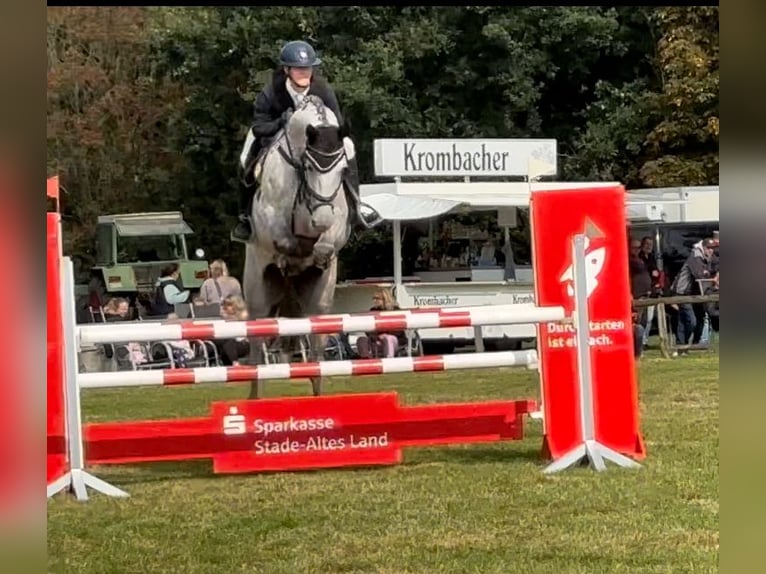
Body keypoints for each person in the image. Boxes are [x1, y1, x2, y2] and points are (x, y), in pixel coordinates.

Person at [232, 40, 383, 242]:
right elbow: (259, 127)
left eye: (307, 68)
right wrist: (280, 122)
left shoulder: (322, 89)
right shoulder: (271, 92)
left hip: (317, 139)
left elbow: (336, 123)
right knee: (244, 157)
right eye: (298, 69)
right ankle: (245, 218)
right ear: (286, 70)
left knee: (348, 145)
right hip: (276, 134)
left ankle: (356, 208)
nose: (304, 73)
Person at [356, 289, 405, 358]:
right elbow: (368, 328)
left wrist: (385, 334)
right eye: (373, 298)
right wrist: (376, 337)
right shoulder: (372, 311)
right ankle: (366, 360)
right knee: (361, 340)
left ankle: (389, 360)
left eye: (377, 298)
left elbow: (399, 330)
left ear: (385, 299)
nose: (374, 301)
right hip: (376, 339)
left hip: (394, 339)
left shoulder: (395, 310)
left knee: (388, 338)